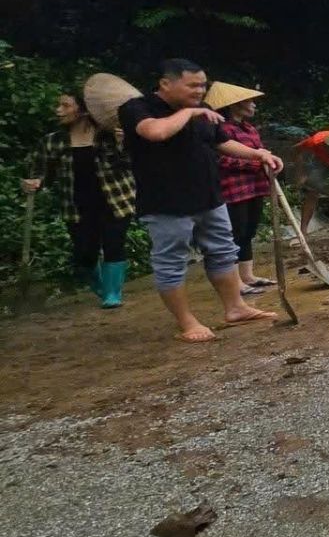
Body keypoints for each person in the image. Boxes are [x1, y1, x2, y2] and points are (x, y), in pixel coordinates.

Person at [118, 59, 282, 343]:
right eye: (192, 85)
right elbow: (155, 132)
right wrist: (190, 112)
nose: (200, 90)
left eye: (203, 85)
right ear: (166, 83)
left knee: (222, 250)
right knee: (171, 261)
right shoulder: (137, 108)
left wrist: (258, 154)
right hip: (167, 203)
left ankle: (236, 308)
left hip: (209, 196)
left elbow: (220, 142)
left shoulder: (204, 111)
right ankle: (187, 323)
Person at [23, 89, 136, 308]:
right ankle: (102, 287)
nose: (59, 110)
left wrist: (122, 144)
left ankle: (112, 294)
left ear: (83, 110)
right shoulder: (52, 142)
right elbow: (39, 171)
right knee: (85, 254)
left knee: (114, 244)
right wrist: (35, 182)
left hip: (115, 199)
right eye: (59, 105)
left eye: (65, 105)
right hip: (76, 205)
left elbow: (128, 164)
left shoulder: (109, 135)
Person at [211, 83, 275, 294]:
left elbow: (258, 151)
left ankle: (248, 275)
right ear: (236, 105)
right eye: (250, 101)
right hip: (234, 190)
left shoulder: (249, 128)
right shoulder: (222, 130)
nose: (254, 105)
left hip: (255, 187)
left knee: (248, 231)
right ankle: (235, 281)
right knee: (236, 233)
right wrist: (256, 162)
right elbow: (222, 159)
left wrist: (267, 160)